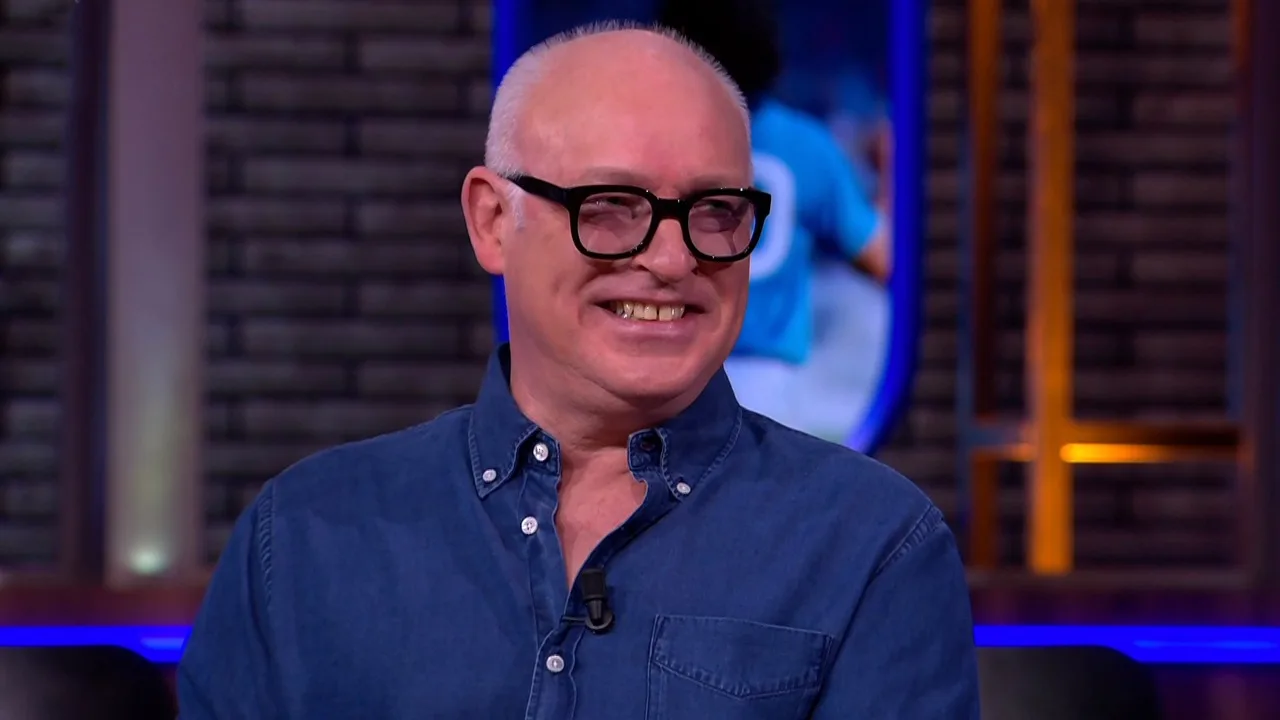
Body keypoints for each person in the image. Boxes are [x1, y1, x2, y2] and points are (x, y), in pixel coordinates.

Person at [177, 22, 979, 719]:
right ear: (493, 220)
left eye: (716, 212)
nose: (673, 259)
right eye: (612, 207)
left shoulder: (872, 547)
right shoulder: (305, 538)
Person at [658, 0, 893, 441]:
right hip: (773, 388)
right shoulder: (806, 146)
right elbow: (884, 260)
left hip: (674, 367)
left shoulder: (650, 140)